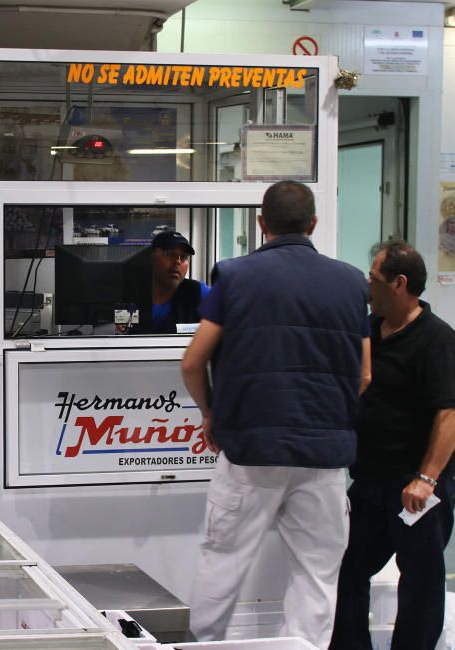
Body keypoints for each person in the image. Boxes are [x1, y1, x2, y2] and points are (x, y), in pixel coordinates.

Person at [180, 180, 371, 648]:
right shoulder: (351, 282)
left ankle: (204, 645)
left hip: (251, 452)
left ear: (261, 224)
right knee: (317, 573)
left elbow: (192, 361)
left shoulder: (236, 276)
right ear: (313, 224)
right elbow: (364, 375)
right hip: (324, 458)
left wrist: (211, 414)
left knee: (224, 562)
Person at [330, 242, 455, 650]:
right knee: (346, 569)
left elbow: (449, 414)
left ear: (400, 284)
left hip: (413, 487)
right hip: (369, 481)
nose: (368, 285)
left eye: (374, 278)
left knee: (419, 580)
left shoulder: (436, 340)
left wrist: (426, 478)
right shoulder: (371, 329)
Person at [146, 230, 210, 334]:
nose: (177, 261)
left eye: (184, 257)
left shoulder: (198, 292)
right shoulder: (130, 292)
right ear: (152, 257)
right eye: (170, 254)